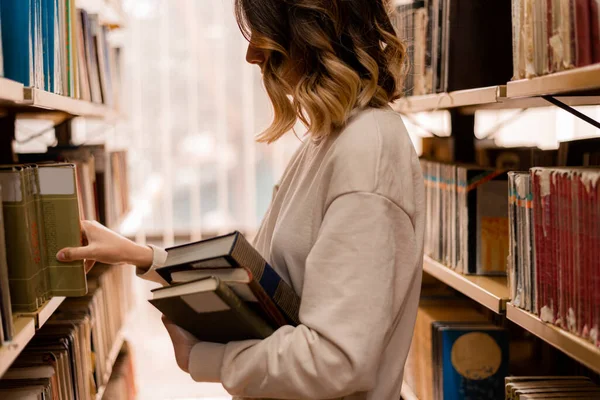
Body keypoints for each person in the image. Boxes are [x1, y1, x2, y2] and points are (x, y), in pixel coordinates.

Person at [57, 0, 425, 398]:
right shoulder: (332, 136)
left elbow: (337, 362)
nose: (252, 55)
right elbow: (274, 289)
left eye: (263, 32)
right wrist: (145, 258)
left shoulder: (366, 150)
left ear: (310, 30)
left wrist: (205, 359)